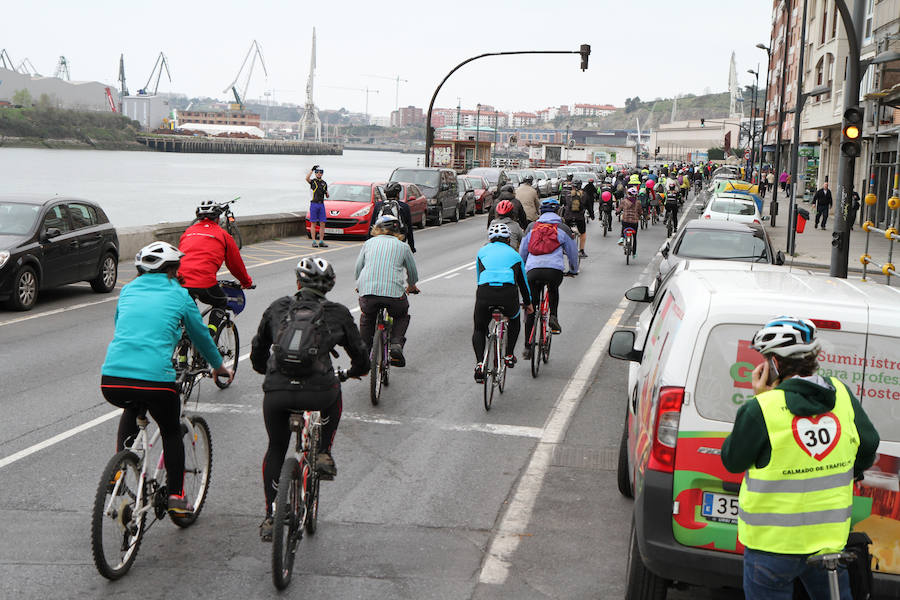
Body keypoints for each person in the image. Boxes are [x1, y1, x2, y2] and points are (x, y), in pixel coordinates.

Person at [721, 317, 879, 600]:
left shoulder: (762, 408)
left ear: (775, 363)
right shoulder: (841, 394)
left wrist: (760, 398)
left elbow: (732, 460)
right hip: (828, 545)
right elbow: (869, 445)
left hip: (771, 548)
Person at [101, 242, 233, 517]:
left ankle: (118, 471)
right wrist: (219, 366)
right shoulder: (180, 295)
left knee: (132, 406)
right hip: (155, 379)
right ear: (173, 270)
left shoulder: (126, 291)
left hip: (112, 378)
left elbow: (123, 327)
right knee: (172, 429)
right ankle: (176, 495)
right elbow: (200, 336)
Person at [251, 257, 370, 541]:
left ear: (297, 283)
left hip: (277, 392)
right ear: (329, 287)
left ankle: (270, 516)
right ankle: (323, 452)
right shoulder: (338, 313)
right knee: (335, 394)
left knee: (276, 448)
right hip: (318, 392)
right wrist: (354, 371)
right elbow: (362, 357)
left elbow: (258, 350)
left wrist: (264, 370)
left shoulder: (278, 307)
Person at [178, 200, 254, 336]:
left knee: (188, 314)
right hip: (205, 283)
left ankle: (183, 353)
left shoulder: (188, 232)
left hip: (179, 283)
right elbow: (235, 265)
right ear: (218, 218)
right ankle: (211, 332)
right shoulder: (223, 235)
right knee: (221, 301)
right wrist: (246, 282)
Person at [355, 215, 420, 367]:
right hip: (394, 295)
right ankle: (396, 344)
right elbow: (412, 271)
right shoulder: (403, 247)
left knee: (367, 317)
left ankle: (364, 351)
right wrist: (411, 286)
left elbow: (359, 268)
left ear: (377, 229)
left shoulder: (369, 243)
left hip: (368, 292)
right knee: (401, 315)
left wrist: (360, 284)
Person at [473, 223, 533, 382]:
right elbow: (523, 283)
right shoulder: (515, 255)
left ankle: (480, 364)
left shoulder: (482, 252)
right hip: (508, 295)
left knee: (479, 328)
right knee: (514, 320)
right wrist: (528, 303)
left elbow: (479, 279)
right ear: (508, 239)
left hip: (485, 294)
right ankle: (508, 355)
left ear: (490, 239)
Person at [519, 198, 578, 351]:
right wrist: (573, 270)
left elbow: (523, 251)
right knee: (553, 289)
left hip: (532, 271)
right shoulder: (563, 228)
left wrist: (525, 268)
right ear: (558, 211)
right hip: (554, 270)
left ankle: (527, 346)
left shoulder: (532, 226)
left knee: (531, 307)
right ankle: (554, 317)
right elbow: (572, 254)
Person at [368, 182, 416, 253]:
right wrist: (411, 247)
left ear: (385, 194)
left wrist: (370, 243)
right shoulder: (404, 207)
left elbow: (372, 225)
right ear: (397, 194)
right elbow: (409, 228)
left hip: (380, 241)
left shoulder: (378, 205)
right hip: (398, 241)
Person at [563, 180, 594, 258]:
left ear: (572, 186)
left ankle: (564, 248)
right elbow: (589, 207)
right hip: (579, 218)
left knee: (566, 232)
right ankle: (582, 251)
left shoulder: (567, 194)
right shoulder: (584, 195)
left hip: (568, 217)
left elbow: (563, 205)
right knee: (582, 233)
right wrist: (592, 215)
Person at [306, 165, 330, 248]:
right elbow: (307, 178)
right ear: (315, 174)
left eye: (320, 172)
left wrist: (327, 194)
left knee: (322, 223)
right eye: (317, 172)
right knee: (313, 223)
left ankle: (321, 241)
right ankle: (313, 241)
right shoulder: (313, 181)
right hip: (314, 204)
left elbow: (327, 194)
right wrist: (312, 170)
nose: (319, 174)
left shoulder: (324, 183)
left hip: (321, 204)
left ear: (322, 174)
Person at [617, 187, 642, 258]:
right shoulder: (638, 202)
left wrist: (617, 212)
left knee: (623, 225)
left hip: (626, 221)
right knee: (634, 237)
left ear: (628, 193)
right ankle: (634, 253)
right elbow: (640, 212)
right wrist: (640, 215)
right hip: (634, 222)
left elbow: (619, 209)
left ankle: (622, 237)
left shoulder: (624, 201)